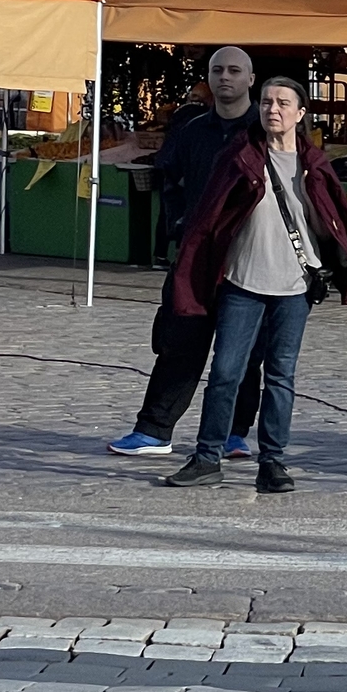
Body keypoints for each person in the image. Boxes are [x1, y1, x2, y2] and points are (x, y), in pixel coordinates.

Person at [158, 78, 347, 492]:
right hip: (243, 282)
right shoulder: (238, 156)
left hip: (293, 286)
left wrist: (336, 267)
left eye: (282, 103)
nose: (272, 109)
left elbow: (334, 221)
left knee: (280, 376)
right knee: (225, 372)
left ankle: (272, 462)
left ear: (300, 112)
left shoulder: (314, 164)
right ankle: (207, 457)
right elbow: (208, 218)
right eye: (266, 102)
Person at [108, 47, 266, 460]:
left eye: (234, 71)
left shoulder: (266, 131)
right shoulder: (193, 130)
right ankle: (154, 430)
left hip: (248, 257)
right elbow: (171, 182)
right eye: (217, 70)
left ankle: (233, 433)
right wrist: (178, 228)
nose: (224, 78)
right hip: (196, 256)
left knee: (243, 353)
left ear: (251, 79)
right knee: (179, 341)